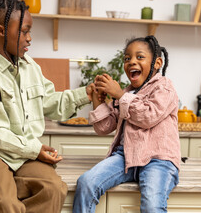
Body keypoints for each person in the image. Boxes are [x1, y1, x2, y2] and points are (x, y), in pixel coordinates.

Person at [0, 0, 95, 213]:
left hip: (22, 154)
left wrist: (87, 93)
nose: (30, 38)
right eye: (24, 31)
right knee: (7, 203)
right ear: (0, 31)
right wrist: (35, 149)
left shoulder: (29, 66)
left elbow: (49, 103)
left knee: (54, 188)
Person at [73, 35, 181, 213]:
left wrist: (120, 96)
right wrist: (97, 100)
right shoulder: (126, 93)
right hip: (126, 157)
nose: (132, 62)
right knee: (86, 182)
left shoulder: (165, 88)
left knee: (152, 205)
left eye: (139, 57)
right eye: (127, 58)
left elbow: (148, 116)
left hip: (159, 160)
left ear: (157, 63)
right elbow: (104, 127)